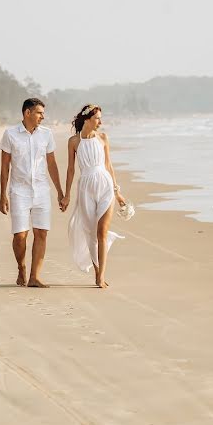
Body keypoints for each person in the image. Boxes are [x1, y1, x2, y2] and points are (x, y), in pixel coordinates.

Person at [0, 98, 65, 287]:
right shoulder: (10, 134)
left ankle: (35, 277)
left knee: (41, 233)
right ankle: (21, 267)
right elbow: (4, 168)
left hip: (42, 190)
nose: (42, 117)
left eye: (43, 113)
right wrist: (2, 195)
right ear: (27, 113)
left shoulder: (46, 134)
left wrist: (60, 191)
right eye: (39, 113)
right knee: (20, 235)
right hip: (19, 191)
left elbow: (52, 164)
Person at [60, 104, 126, 288]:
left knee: (101, 231)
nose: (101, 122)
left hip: (104, 185)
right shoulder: (74, 141)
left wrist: (117, 192)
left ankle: (101, 276)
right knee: (91, 233)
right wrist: (66, 196)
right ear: (87, 119)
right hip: (86, 187)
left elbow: (109, 166)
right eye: (97, 118)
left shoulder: (103, 138)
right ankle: (97, 271)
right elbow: (71, 170)